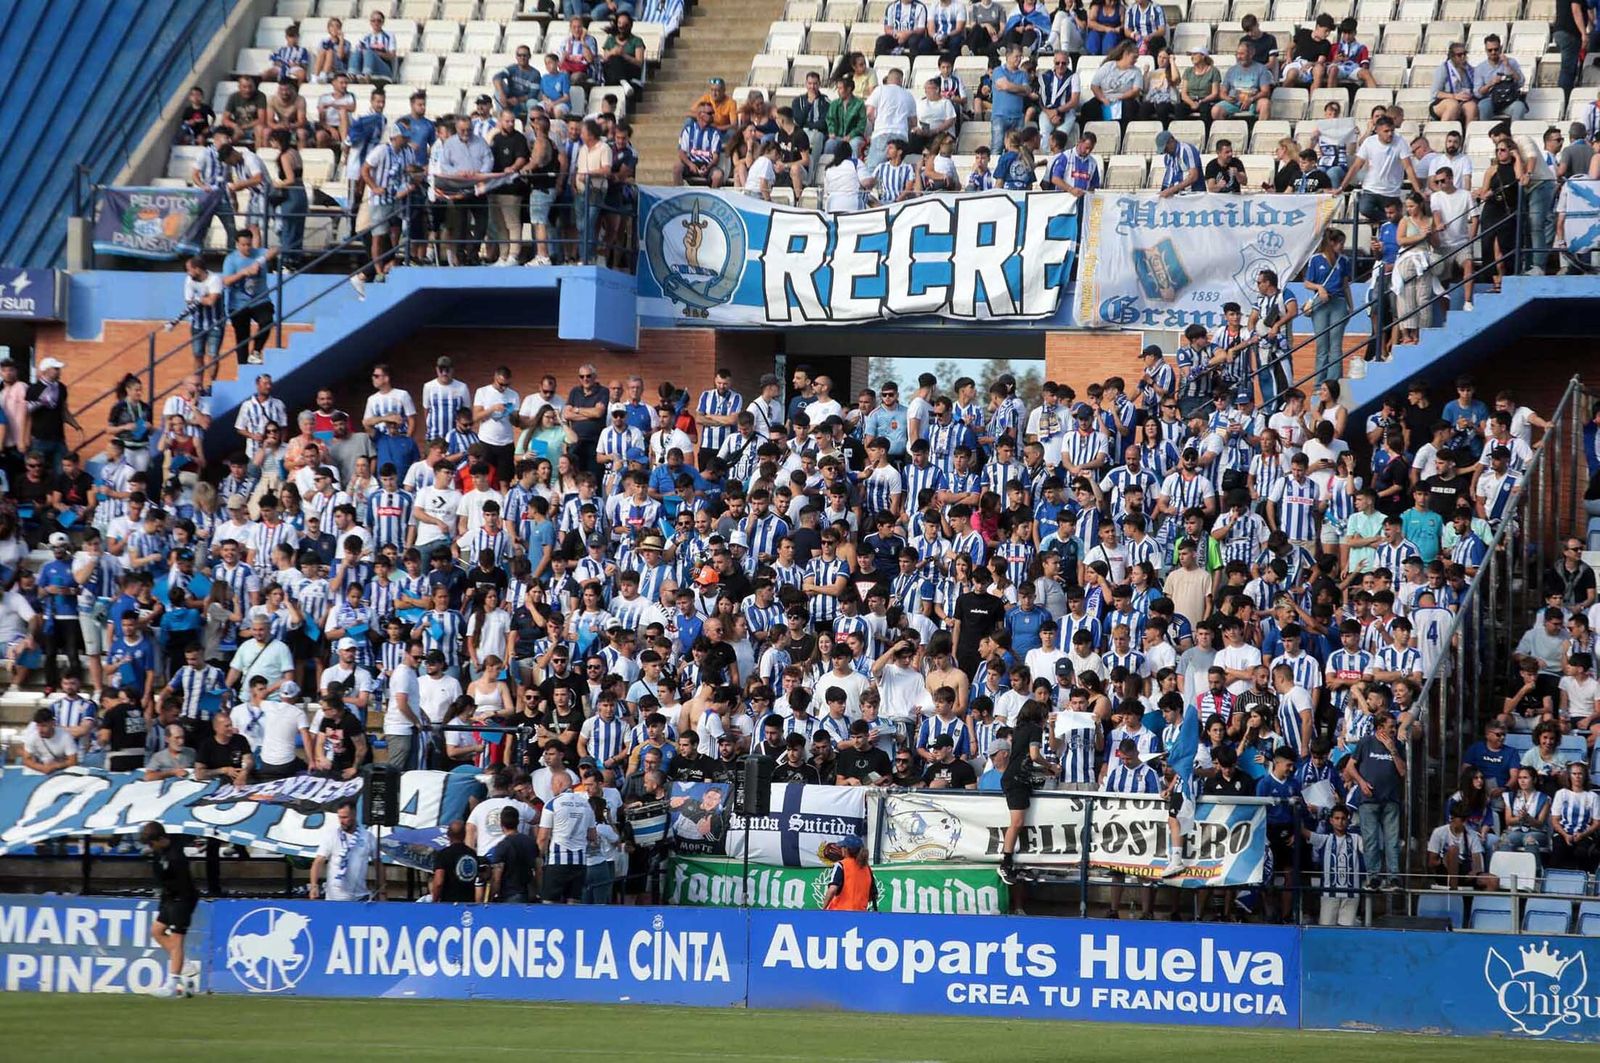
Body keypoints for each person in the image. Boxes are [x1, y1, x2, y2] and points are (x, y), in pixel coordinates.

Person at [140, 821, 199, 997]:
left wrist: (177, 905)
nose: (150, 847)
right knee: (157, 931)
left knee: (177, 940)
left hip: (183, 899)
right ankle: (185, 966)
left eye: (151, 843)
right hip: (169, 898)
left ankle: (172, 984)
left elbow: (180, 883)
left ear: (160, 839)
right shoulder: (160, 853)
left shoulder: (176, 856)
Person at [539, 771, 598, 903]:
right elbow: (593, 836)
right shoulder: (586, 804)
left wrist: (538, 859)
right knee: (573, 904)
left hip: (558, 860)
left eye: (552, 784)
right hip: (580, 862)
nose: (551, 788)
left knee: (549, 903)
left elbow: (543, 837)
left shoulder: (552, 804)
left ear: (559, 784)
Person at [309, 800, 377, 901]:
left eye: (345, 817)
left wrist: (382, 889)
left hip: (360, 896)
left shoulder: (367, 837)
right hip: (335, 897)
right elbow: (318, 861)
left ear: (354, 815)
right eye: (339, 817)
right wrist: (313, 886)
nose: (341, 821)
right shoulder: (332, 835)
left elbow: (378, 863)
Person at [822, 834, 879, 910]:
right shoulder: (867, 868)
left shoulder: (841, 865)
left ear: (846, 849)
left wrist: (823, 908)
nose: (841, 848)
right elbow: (873, 895)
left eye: (843, 847)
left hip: (839, 914)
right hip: (860, 915)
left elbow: (832, 889)